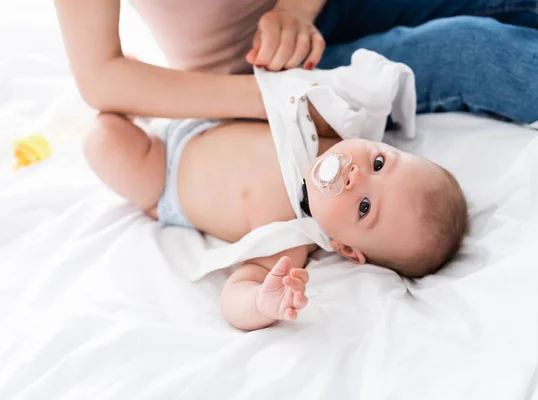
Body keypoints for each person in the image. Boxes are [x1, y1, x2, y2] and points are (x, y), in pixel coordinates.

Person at [81, 54, 468, 330]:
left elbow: (237, 295)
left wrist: (263, 302)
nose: (355, 176)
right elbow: (325, 88)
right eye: (380, 164)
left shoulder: (289, 238)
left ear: (346, 248)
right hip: (206, 116)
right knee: (133, 74)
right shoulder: (338, 131)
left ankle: (138, 166)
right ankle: (142, 110)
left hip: (163, 173)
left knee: (105, 140)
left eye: (364, 207)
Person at [55, 0, 538, 127]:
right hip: (258, 78)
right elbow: (100, 74)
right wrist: (273, 99)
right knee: (471, 48)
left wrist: (293, 9)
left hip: (321, 9)